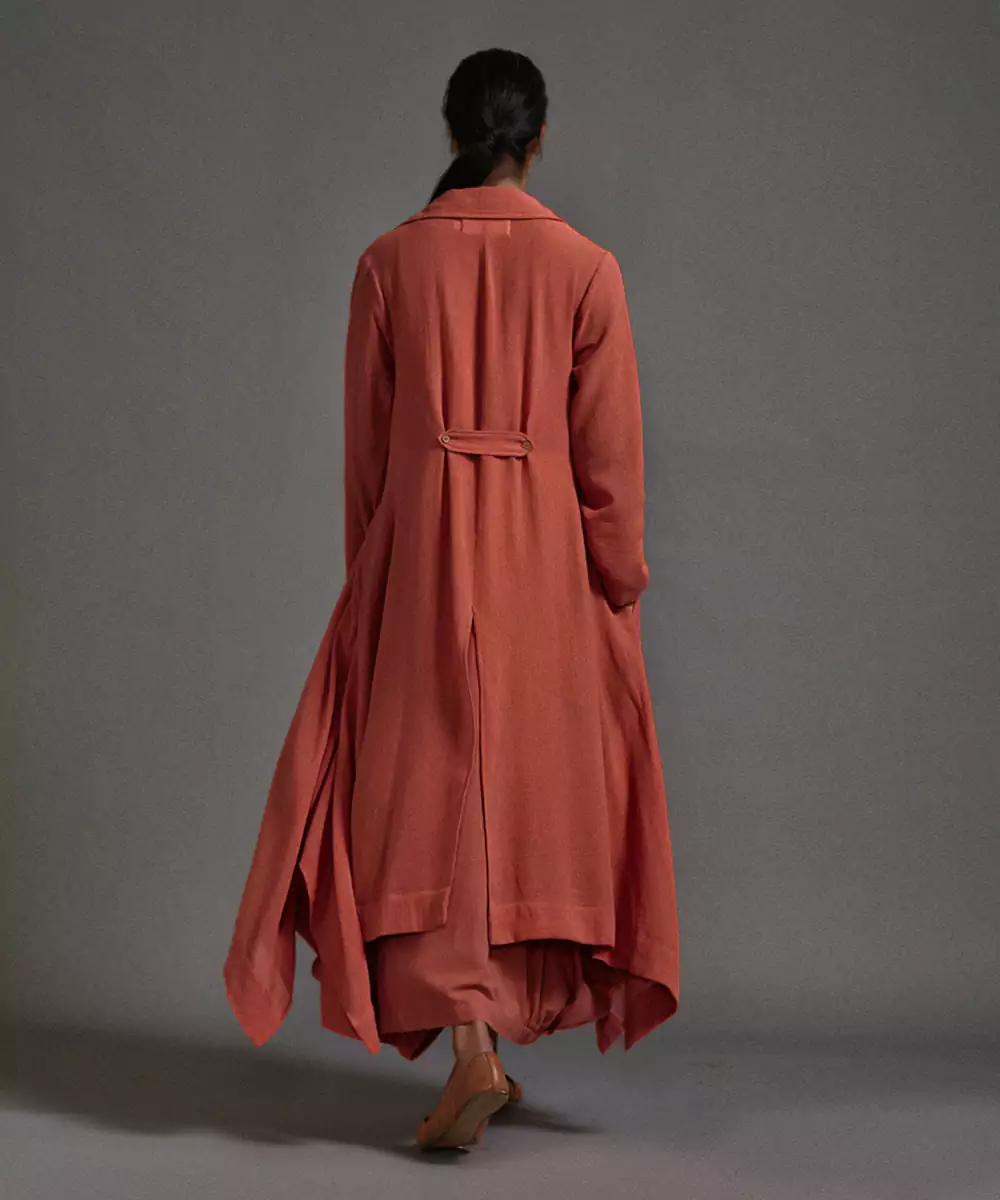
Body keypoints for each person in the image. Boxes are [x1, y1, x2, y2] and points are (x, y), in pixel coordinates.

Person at [223, 47, 680, 1151]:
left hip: (420, 557)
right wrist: (618, 583)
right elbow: (611, 465)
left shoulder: (388, 264)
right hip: (543, 567)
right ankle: (480, 1041)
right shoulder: (587, 269)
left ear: (451, 133)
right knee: (520, 795)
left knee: (429, 794)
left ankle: (473, 1045)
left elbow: (368, 456)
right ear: (539, 139)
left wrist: (373, 576)